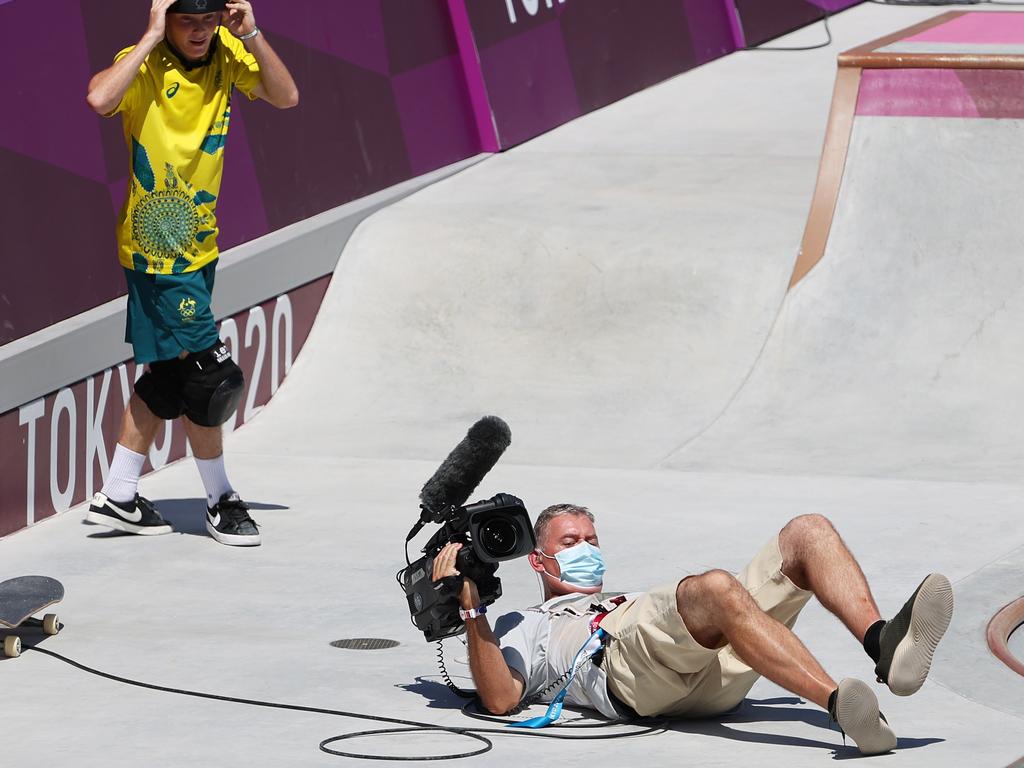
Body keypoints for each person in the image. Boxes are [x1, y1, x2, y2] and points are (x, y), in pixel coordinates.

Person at [432, 504, 954, 756]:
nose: (587, 548)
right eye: (571, 542)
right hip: (624, 671)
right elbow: (501, 698)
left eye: (592, 537)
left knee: (806, 532)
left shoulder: (624, 597)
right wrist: (470, 606)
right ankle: (843, 707)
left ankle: (882, 643)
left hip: (709, 670)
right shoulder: (524, 624)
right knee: (716, 589)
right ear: (538, 561)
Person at [83, 0, 298, 546]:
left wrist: (251, 33)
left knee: (168, 377)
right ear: (166, 17)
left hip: (199, 245)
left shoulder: (228, 51)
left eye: (208, 18)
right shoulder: (142, 62)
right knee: (209, 374)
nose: (200, 30)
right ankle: (220, 500)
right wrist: (152, 36)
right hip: (158, 250)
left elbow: (285, 95)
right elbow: (100, 98)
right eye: (186, 19)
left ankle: (119, 495)